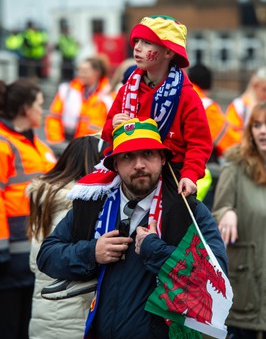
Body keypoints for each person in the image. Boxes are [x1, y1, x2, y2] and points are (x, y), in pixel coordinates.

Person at [37, 117, 228, 339]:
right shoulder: (95, 205)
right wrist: (92, 251)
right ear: (115, 164)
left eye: (147, 154)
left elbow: (215, 279)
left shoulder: (188, 210)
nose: (139, 165)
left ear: (162, 158)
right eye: (128, 157)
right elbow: (48, 255)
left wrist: (154, 249)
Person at [102, 14, 213, 199]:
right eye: (136, 41)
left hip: (172, 177)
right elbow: (106, 133)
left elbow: (199, 144)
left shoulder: (187, 96)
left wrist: (190, 175)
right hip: (129, 175)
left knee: (201, 225)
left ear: (169, 52)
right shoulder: (127, 90)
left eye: (146, 42)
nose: (137, 48)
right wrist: (113, 124)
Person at [27, 135, 108, 339]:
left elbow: (36, 263)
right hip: (75, 331)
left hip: (44, 331)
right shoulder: (78, 206)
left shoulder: (45, 200)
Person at [0, 78, 56, 339]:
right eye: (38, 105)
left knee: (24, 335)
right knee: (7, 337)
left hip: (32, 257)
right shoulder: (3, 144)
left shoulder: (37, 145)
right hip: (9, 260)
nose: (43, 110)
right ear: (24, 108)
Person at [212, 103, 266, 339]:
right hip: (248, 288)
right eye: (257, 125)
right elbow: (218, 209)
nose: (263, 131)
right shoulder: (236, 163)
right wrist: (227, 212)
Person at [188, 63, 238, 208]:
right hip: (201, 174)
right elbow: (228, 143)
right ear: (208, 85)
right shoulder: (207, 106)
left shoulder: (177, 96)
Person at [45, 56, 112, 147]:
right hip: (67, 143)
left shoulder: (108, 97)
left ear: (97, 73)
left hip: (95, 148)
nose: (80, 74)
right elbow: (54, 117)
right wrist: (57, 142)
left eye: (85, 71)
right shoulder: (67, 91)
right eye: (79, 70)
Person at [226, 66, 266, 145]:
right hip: (244, 151)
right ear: (255, 86)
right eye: (264, 89)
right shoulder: (239, 106)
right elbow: (230, 133)